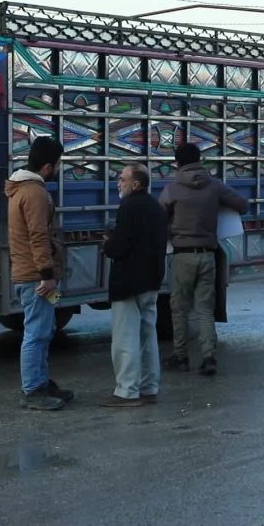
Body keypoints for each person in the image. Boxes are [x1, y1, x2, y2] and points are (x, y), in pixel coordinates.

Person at [159, 143, 249, 376]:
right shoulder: (215, 186)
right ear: (199, 160)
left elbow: (159, 219)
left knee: (179, 309)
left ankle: (181, 356)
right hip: (208, 255)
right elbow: (242, 205)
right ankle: (209, 357)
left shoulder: (172, 190)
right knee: (205, 309)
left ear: (177, 163)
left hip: (182, 255)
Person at [5, 136, 73, 410]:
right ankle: (33, 389)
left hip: (31, 272)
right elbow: (38, 236)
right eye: (57, 164)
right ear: (47, 167)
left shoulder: (21, 188)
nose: (58, 169)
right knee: (36, 332)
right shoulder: (34, 193)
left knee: (45, 329)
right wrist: (47, 274)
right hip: (36, 276)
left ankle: (41, 383)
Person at [100, 164, 169, 408]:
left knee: (125, 338)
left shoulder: (129, 206)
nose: (118, 183)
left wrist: (108, 244)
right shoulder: (156, 207)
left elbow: (121, 246)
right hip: (151, 280)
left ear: (135, 184)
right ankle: (149, 388)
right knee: (148, 337)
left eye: (122, 179)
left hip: (128, 282)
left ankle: (126, 391)